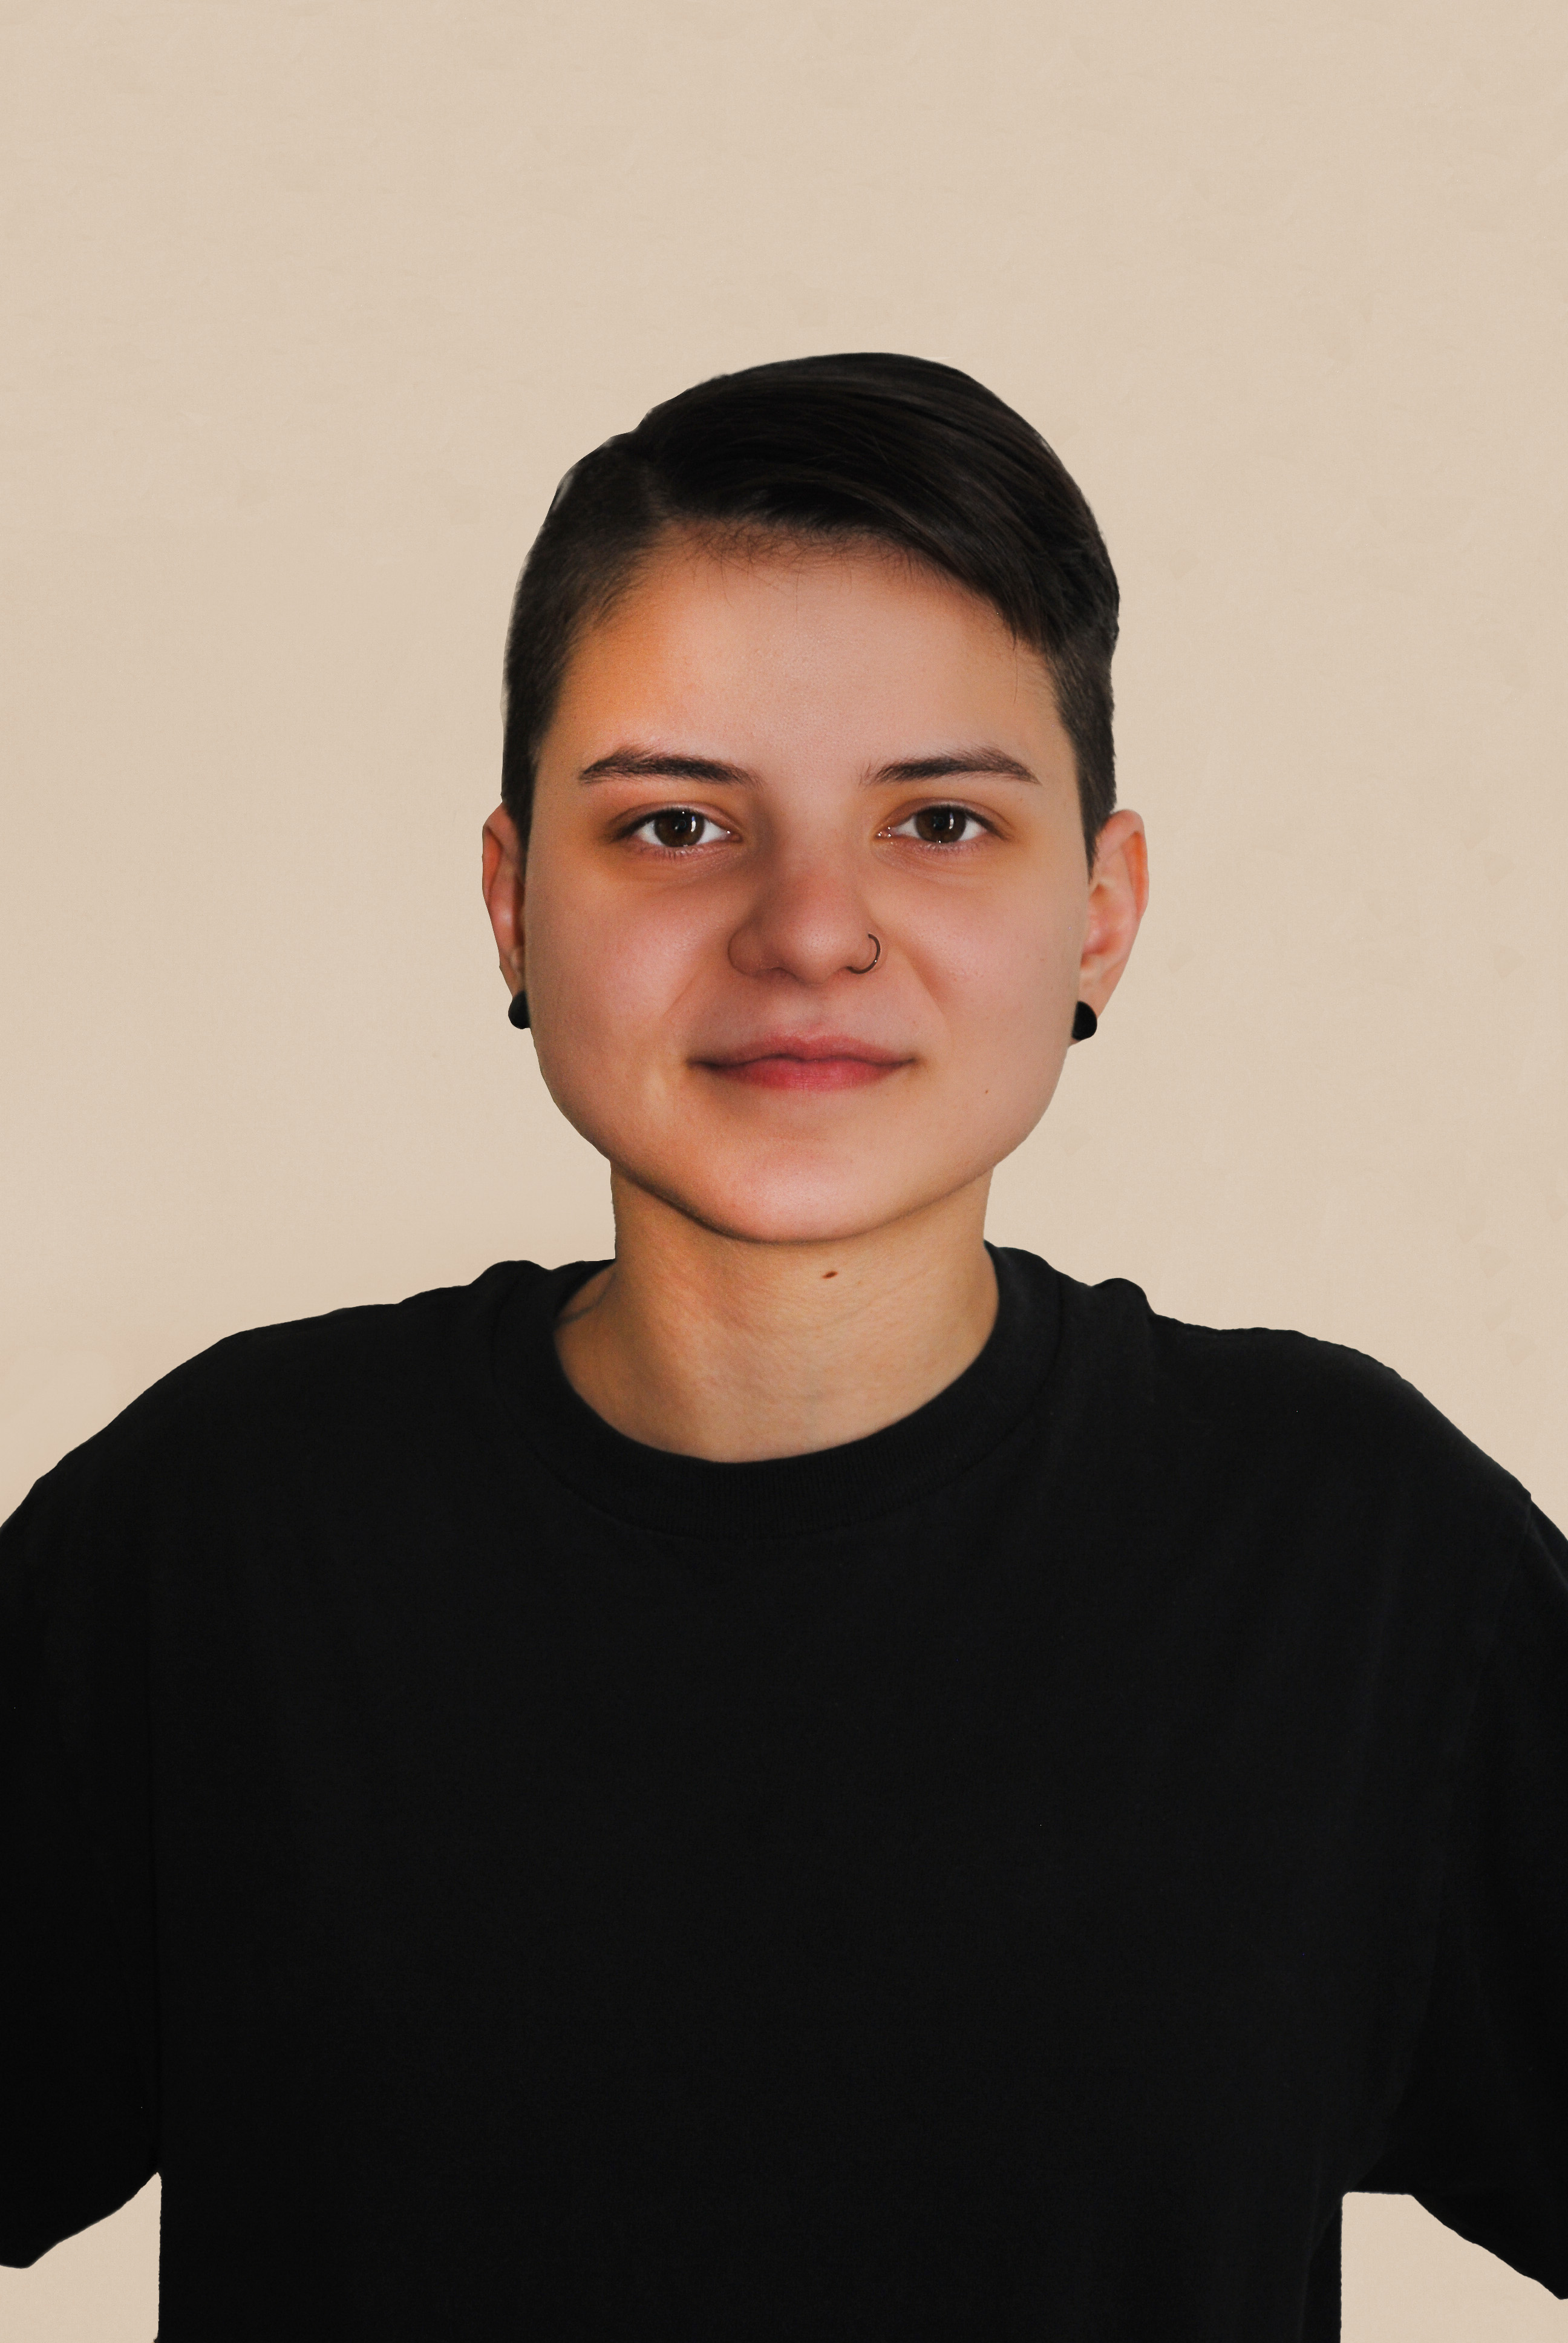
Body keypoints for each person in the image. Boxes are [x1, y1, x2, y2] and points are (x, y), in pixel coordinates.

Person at [1, 353, 1564, 2341]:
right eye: (674, 825)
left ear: (1102, 911)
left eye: (940, 821)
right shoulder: (227, 1532)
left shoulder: (1345, 1557)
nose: (810, 930)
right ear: (512, 901)